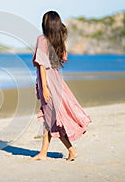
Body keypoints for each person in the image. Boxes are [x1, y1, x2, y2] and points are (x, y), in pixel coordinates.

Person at [32, 11, 91, 161]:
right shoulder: (57, 41)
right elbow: (63, 59)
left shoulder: (42, 39)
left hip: (49, 84)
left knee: (52, 119)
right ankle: (43, 153)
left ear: (45, 25)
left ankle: (71, 151)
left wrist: (44, 87)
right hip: (58, 82)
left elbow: (41, 65)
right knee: (49, 118)